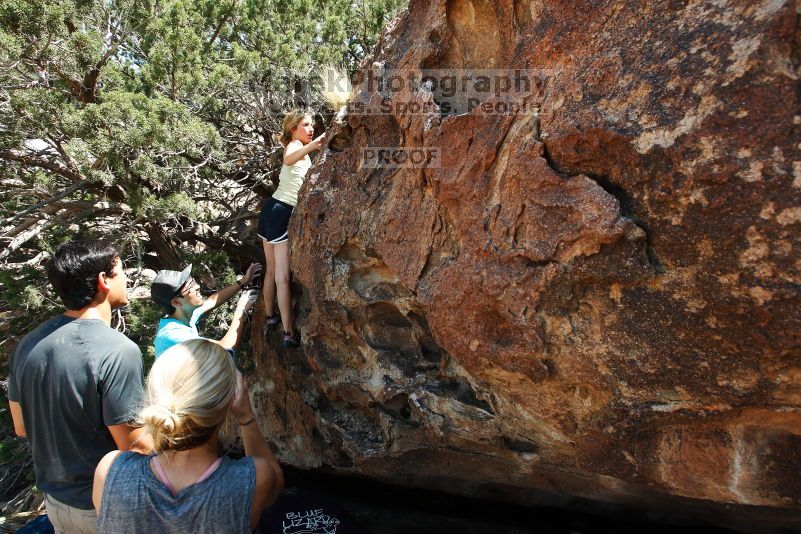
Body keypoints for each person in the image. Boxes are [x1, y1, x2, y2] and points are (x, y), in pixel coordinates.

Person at [7, 240, 150, 534]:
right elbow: (134, 446)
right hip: (107, 506)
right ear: (103, 281)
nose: (126, 279)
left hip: (57, 506)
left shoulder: (28, 344)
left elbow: (21, 426)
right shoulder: (117, 350)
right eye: (121, 271)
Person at [93, 339, 284, 533]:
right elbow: (275, 484)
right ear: (230, 400)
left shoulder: (109, 471)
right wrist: (246, 417)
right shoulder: (252, 479)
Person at [258, 110, 324, 347]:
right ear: (294, 128)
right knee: (282, 277)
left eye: (312, 125)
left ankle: (270, 317)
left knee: (271, 271)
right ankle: (288, 333)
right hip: (281, 211)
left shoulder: (300, 148)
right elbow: (288, 159)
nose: (311, 128)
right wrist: (313, 145)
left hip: (271, 209)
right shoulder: (294, 146)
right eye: (306, 125)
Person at [151, 263, 261, 358]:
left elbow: (212, 301)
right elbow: (224, 348)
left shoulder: (184, 315)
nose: (197, 286)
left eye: (193, 281)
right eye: (190, 287)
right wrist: (241, 309)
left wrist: (243, 281)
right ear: (176, 303)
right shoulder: (173, 334)